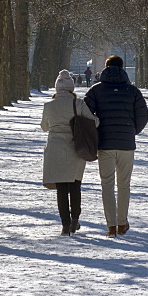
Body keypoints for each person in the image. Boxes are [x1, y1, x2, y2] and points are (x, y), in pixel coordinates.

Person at [84, 55, 148, 237]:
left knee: (107, 184)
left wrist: (98, 129)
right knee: (124, 185)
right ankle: (123, 223)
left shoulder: (95, 90)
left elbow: (85, 114)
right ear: (122, 68)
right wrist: (132, 131)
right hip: (126, 144)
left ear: (105, 68)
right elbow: (143, 115)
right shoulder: (133, 91)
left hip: (105, 142)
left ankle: (111, 226)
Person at [41, 69, 99, 236]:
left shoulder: (48, 106)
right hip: (75, 148)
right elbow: (93, 122)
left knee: (60, 188)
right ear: (71, 88)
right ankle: (75, 220)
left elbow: (45, 127)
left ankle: (65, 224)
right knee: (75, 185)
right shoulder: (78, 104)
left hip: (54, 149)